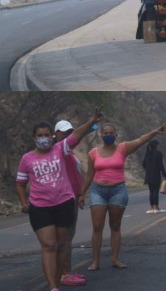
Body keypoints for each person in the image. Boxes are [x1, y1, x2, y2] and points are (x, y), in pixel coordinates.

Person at [16, 108, 104, 291]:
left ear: (52, 136)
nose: (44, 138)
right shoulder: (27, 159)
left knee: (61, 245)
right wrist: (24, 202)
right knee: (49, 245)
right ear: (34, 137)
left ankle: (56, 281)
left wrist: (92, 120)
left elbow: (77, 135)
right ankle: (52, 287)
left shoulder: (60, 148)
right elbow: (20, 183)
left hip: (63, 203)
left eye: (46, 135)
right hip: (40, 207)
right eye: (40, 135)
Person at [81, 122, 166, 270]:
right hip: (98, 191)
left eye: (111, 133)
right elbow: (89, 175)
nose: (108, 135)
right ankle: (95, 261)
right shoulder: (93, 153)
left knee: (115, 226)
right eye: (105, 133)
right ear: (101, 135)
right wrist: (81, 194)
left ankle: (115, 259)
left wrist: (154, 132)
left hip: (117, 191)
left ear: (116, 135)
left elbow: (140, 140)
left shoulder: (122, 148)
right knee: (97, 227)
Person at [54, 120, 88, 287]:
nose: (68, 136)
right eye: (64, 133)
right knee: (65, 237)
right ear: (57, 134)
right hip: (65, 199)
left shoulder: (70, 153)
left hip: (73, 197)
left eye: (70, 132)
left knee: (68, 236)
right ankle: (64, 273)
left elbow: (75, 175)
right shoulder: (60, 151)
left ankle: (65, 270)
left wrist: (80, 193)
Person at [142, 139, 166, 214]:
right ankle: (156, 207)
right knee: (156, 191)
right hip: (156, 174)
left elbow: (143, 164)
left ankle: (151, 207)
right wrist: (164, 175)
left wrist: (148, 169)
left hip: (148, 175)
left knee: (151, 191)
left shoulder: (147, 153)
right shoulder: (158, 153)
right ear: (156, 145)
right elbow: (161, 165)